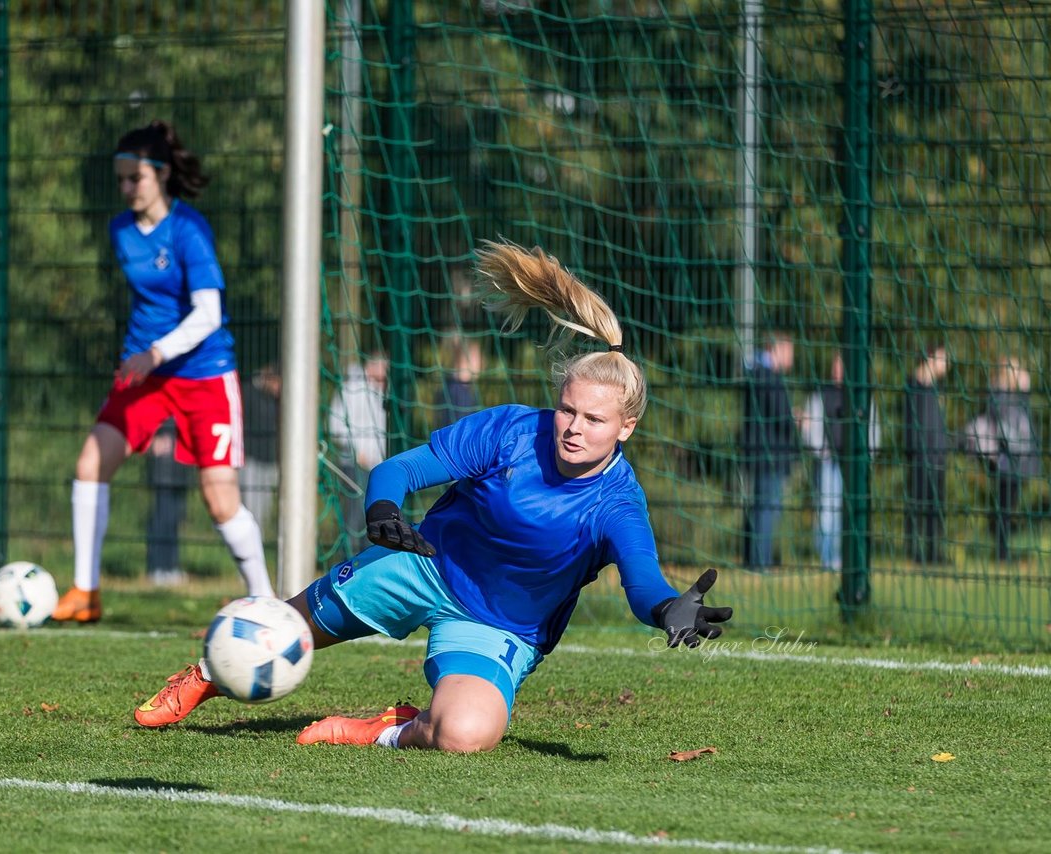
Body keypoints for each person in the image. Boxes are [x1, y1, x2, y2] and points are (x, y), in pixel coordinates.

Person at [132, 240, 732, 753]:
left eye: (594, 420)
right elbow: (400, 469)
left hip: (500, 626)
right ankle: (207, 673)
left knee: (466, 734)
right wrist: (383, 512)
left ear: (625, 428)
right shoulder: (511, 431)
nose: (574, 427)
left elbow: (641, 582)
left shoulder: (618, 504)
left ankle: (388, 730)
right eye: (567, 409)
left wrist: (664, 609)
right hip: (424, 566)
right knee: (283, 629)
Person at [52, 119, 274, 623]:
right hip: (146, 377)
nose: (127, 189)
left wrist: (156, 352)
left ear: (162, 175)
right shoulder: (120, 231)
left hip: (204, 374)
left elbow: (209, 314)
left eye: (136, 179)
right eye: (121, 180)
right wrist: (146, 358)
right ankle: (85, 592)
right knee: (91, 463)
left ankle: (266, 602)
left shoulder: (190, 230)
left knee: (219, 500)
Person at [800, 353, 881, 572]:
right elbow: (811, 426)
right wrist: (820, 450)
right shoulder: (822, 394)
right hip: (829, 462)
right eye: (836, 364)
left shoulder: (861, 395)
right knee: (827, 510)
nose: (839, 370)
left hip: (853, 464)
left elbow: (872, 428)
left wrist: (867, 458)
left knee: (852, 511)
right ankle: (828, 558)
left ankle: (851, 558)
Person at [963, 357, 1040, 561]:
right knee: (1003, 508)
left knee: (1007, 507)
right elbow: (1007, 423)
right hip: (1005, 462)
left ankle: (1002, 550)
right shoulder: (999, 396)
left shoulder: (1010, 397)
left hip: (1016, 463)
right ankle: (1001, 553)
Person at [740, 333, 799, 570]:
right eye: (789, 350)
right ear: (778, 349)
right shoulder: (768, 377)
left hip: (759, 454)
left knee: (759, 507)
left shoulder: (756, 373)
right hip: (769, 455)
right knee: (766, 508)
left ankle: (754, 559)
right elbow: (781, 416)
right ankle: (759, 562)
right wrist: (796, 419)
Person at [328, 357, 389, 554]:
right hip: (354, 464)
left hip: (377, 465)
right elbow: (335, 425)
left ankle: (367, 562)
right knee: (354, 518)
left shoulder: (381, 390)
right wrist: (357, 451)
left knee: (374, 515)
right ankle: (345, 562)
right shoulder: (352, 387)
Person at [903, 343, 949, 564]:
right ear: (931, 357)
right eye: (943, 358)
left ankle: (933, 551)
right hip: (921, 456)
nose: (946, 364)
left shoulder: (935, 389)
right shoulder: (914, 385)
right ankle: (914, 551)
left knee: (935, 506)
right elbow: (911, 424)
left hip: (938, 455)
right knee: (917, 504)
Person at [144, 418, 191, 587]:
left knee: (174, 520)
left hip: (180, 468)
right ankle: (157, 567)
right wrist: (151, 441)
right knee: (162, 519)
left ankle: (171, 566)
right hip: (163, 469)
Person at [239, 362, 281, 533]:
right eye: (277, 383)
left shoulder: (278, 400)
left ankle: (258, 543)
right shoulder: (247, 391)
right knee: (251, 509)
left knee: (263, 510)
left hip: (270, 461)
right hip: (251, 460)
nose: (279, 388)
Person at [434, 336, 484, 429]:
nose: (481, 363)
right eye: (477, 358)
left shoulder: (460, 388)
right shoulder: (456, 391)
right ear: (464, 359)